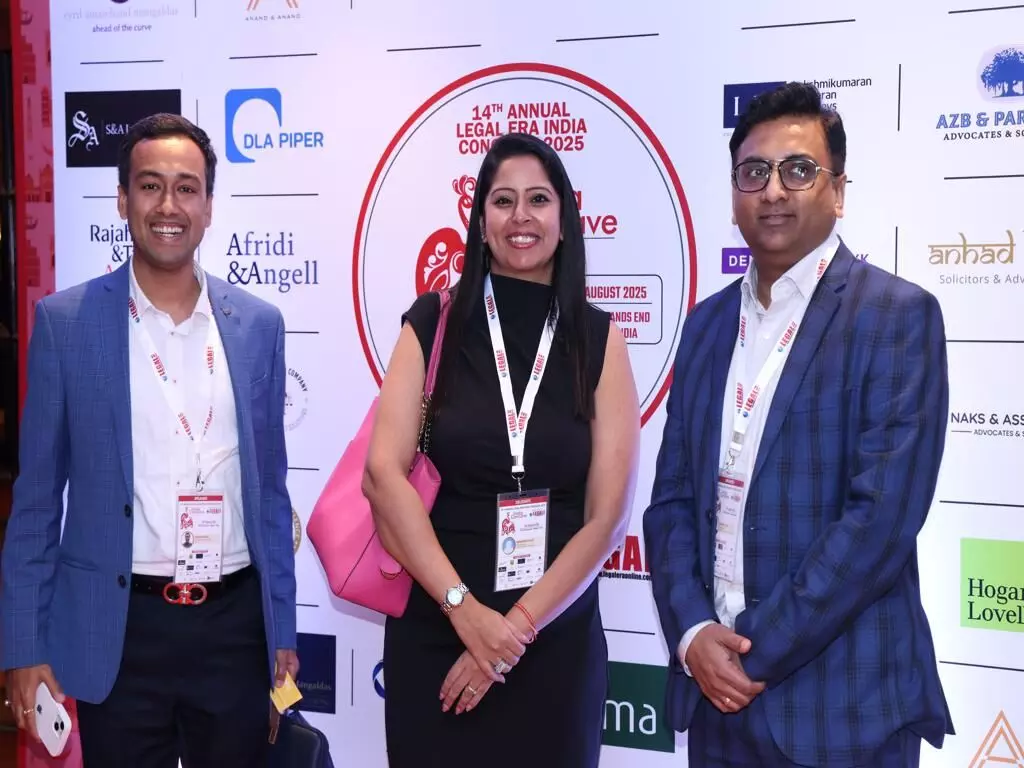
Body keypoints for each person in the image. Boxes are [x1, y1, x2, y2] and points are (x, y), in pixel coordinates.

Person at [644, 82, 953, 767]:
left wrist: (751, 653)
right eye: (754, 172)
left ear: (838, 191)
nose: (774, 191)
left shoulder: (895, 317)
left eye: (799, 170)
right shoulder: (705, 326)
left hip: (841, 711)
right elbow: (670, 501)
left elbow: (878, 524)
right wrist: (693, 635)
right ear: (734, 193)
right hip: (716, 703)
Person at [0, 113, 299, 767]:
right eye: (150, 186)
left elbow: (272, 498)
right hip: (119, 632)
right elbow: (37, 504)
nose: (169, 205)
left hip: (234, 629)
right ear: (122, 199)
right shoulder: (65, 324)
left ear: (209, 206)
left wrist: (282, 627)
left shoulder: (259, 327)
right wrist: (23, 646)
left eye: (187, 188)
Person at [362, 132, 640, 767]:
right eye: (503, 200)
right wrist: (465, 612)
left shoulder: (599, 339)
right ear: (481, 222)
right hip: (437, 628)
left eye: (539, 200)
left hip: (552, 639)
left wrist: (511, 631)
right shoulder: (431, 322)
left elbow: (606, 518)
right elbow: (382, 474)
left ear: (565, 221)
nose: (521, 216)